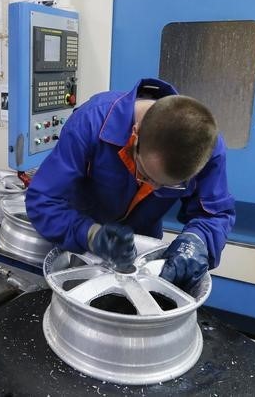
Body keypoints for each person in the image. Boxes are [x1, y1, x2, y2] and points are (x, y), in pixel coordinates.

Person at [25, 78, 235, 291]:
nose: (153, 189)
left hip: (141, 249)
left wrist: (196, 242)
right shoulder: (90, 123)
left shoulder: (206, 148)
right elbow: (43, 200)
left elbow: (214, 214)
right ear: (135, 136)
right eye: (146, 176)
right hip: (78, 244)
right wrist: (89, 234)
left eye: (169, 186)